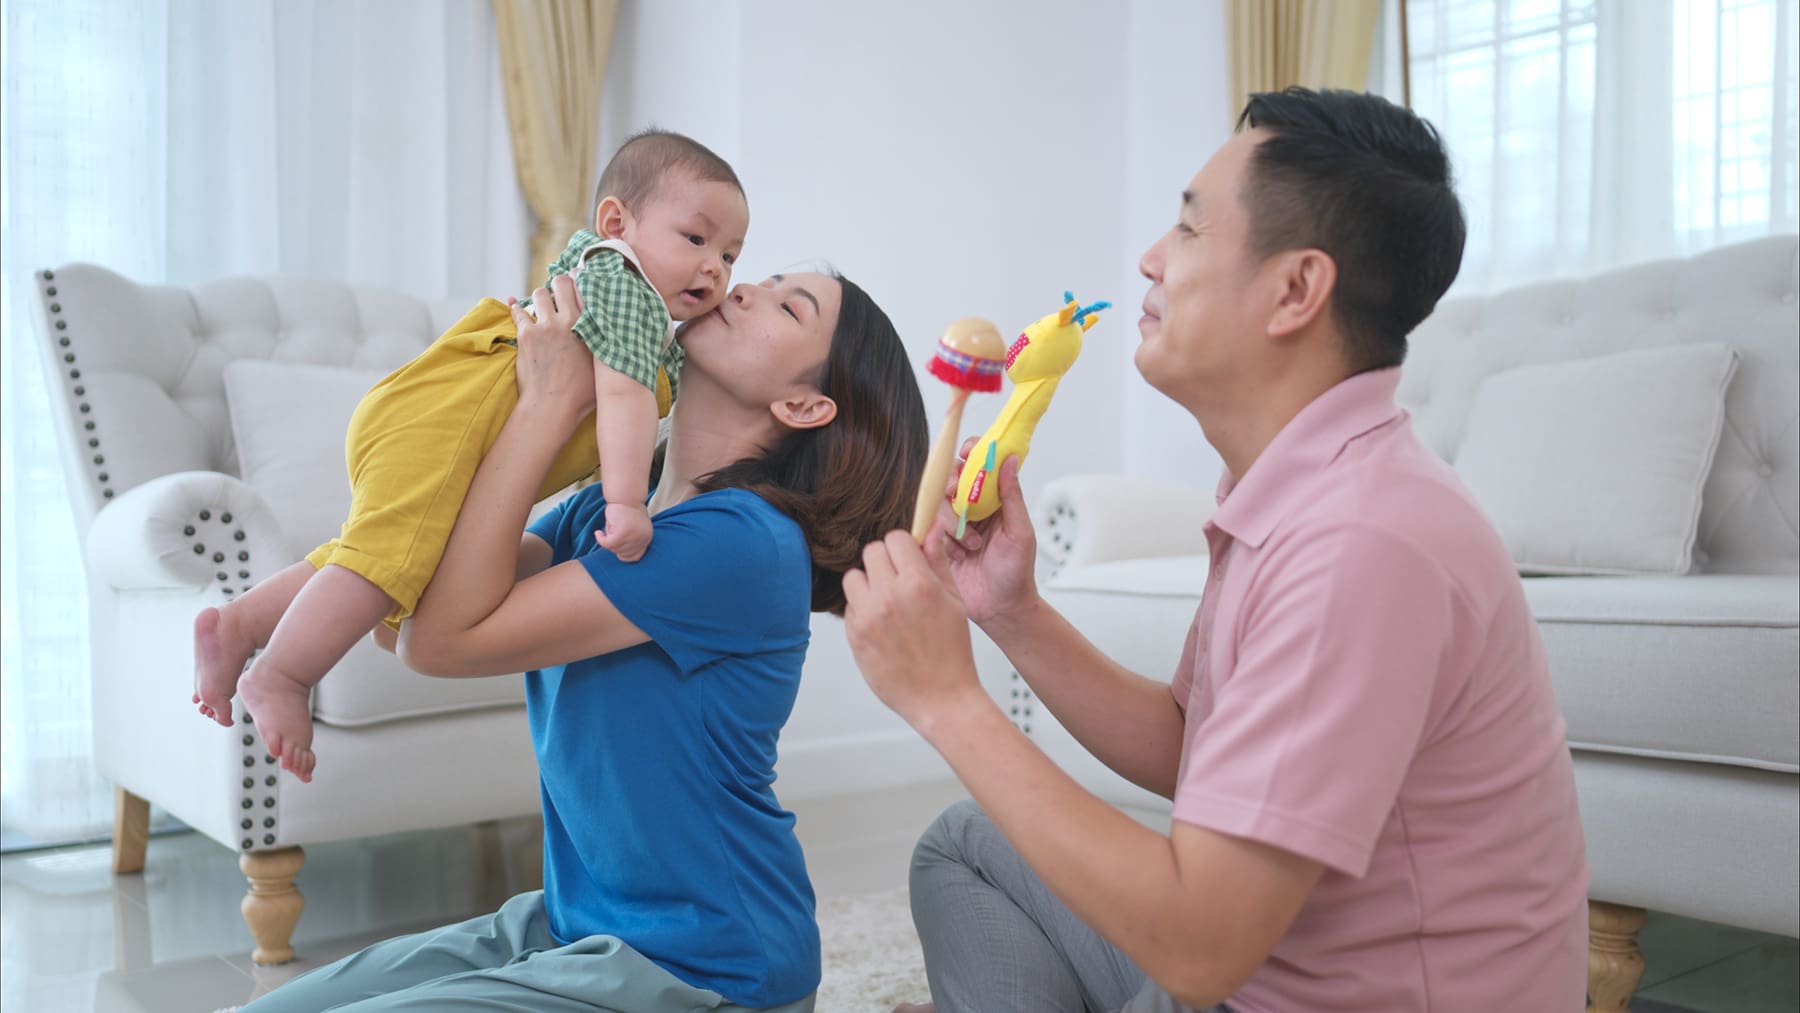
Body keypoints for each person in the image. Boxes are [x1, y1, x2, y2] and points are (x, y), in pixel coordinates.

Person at [842, 87, 1589, 1012]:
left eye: (1189, 231)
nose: (1151, 260)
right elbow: (1197, 748)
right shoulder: (1291, 486)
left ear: (1295, 290)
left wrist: (945, 699)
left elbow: (1202, 950)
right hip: (1253, 976)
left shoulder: (1362, 544)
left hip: (1280, 984)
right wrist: (1012, 613)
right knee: (965, 846)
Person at [240, 265, 928, 1012]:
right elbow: (404, 611)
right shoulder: (603, 508)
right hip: (569, 929)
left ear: (802, 403)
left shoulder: (744, 544)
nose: (742, 288)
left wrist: (548, 404)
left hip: (706, 973)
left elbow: (438, 643)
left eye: (788, 306)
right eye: (761, 278)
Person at [192, 129, 750, 782]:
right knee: (387, 557)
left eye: (731, 254)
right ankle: (284, 672)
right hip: (448, 420)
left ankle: (242, 623)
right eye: (696, 238)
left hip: (431, 416)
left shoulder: (646, 321)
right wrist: (626, 501)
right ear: (616, 222)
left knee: (386, 550)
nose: (715, 267)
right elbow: (623, 397)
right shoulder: (626, 285)